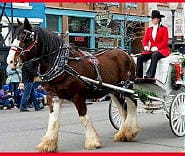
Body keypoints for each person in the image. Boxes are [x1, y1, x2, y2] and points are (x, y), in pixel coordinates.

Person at [135, 10, 170, 83]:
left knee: (155, 55)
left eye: (156, 18)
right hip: (151, 50)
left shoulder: (164, 29)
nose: (154, 20)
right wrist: (145, 46)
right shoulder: (149, 29)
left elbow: (165, 42)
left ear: (159, 19)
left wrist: (157, 47)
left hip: (162, 50)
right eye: (153, 18)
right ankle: (139, 77)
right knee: (140, 57)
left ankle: (150, 76)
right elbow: (144, 40)